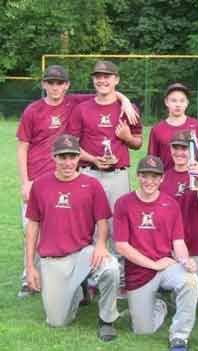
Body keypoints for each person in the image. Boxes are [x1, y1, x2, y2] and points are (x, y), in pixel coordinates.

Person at [16, 64, 137, 297]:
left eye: (59, 83)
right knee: (31, 228)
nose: (55, 87)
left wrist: (125, 100)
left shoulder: (73, 102)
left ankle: (80, 278)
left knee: (67, 229)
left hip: (67, 175)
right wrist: (25, 181)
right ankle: (29, 277)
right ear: (43, 84)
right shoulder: (33, 110)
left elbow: (105, 92)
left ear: (67, 85)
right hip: (37, 177)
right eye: (50, 82)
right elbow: (22, 147)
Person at [25, 134, 120, 341]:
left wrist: (102, 244)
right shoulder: (40, 185)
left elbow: (103, 221)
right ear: (53, 157)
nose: (68, 162)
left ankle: (106, 319)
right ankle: (80, 290)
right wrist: (30, 266)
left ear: (79, 157)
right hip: (53, 260)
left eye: (72, 156)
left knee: (111, 267)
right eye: (62, 156)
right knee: (58, 322)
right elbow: (32, 227)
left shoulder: (92, 185)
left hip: (82, 253)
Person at [67, 60, 143, 294]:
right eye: (98, 76)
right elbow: (71, 144)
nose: (102, 80)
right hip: (90, 174)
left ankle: (118, 277)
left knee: (117, 226)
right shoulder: (83, 108)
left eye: (107, 76)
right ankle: (89, 279)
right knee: (87, 226)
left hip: (117, 175)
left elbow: (138, 143)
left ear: (116, 80)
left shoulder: (127, 109)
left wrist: (127, 137)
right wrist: (92, 158)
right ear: (93, 80)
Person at [114, 155, 198, 351]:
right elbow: (121, 246)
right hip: (139, 272)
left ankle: (179, 335)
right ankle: (160, 305)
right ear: (138, 176)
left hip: (165, 267)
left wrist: (186, 261)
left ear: (162, 179)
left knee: (191, 280)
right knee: (143, 330)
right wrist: (154, 264)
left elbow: (178, 241)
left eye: (155, 176)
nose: (149, 181)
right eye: (145, 176)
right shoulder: (124, 203)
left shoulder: (170, 205)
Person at [159, 131, 198, 276]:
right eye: (175, 148)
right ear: (170, 149)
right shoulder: (164, 177)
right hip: (168, 244)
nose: (179, 153)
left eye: (184, 148)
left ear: (192, 150)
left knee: (191, 285)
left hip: (195, 243)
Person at [148, 83, 198, 170]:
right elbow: (152, 160)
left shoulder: (197, 126)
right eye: (174, 100)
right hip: (166, 179)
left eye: (182, 101)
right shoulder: (157, 129)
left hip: (191, 180)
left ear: (187, 102)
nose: (178, 104)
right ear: (166, 102)